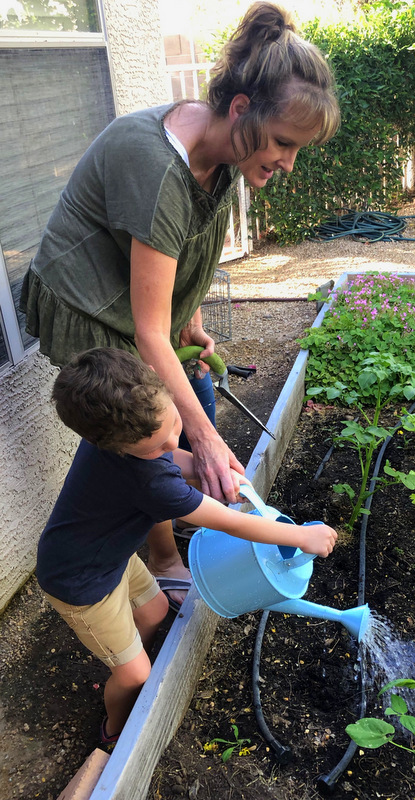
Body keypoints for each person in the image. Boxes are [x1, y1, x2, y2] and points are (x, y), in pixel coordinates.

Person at [20, 1, 340, 609]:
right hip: (90, 301)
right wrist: (208, 441)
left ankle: (179, 510)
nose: (287, 162)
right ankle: (165, 557)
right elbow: (146, 333)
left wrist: (190, 320)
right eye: (282, 142)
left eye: (298, 148)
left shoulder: (224, 152)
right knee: (140, 431)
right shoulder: (159, 167)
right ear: (242, 109)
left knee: (192, 404)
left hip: (136, 303)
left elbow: (191, 246)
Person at [37, 347, 338, 745]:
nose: (170, 446)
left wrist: (204, 465)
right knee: (137, 675)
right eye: (158, 448)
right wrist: (302, 536)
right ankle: (113, 727)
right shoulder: (150, 484)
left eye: (173, 427)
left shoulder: (114, 438)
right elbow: (231, 523)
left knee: (156, 607)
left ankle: (122, 657)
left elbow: (171, 458)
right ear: (118, 446)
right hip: (80, 585)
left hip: (107, 555)